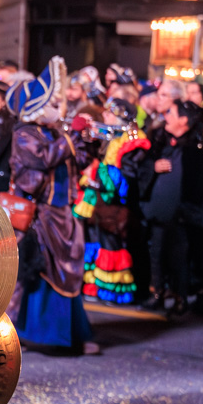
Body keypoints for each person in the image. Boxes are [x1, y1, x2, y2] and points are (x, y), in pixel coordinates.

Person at [5, 58, 97, 354]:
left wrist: (87, 140)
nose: (60, 108)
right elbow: (43, 160)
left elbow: (77, 160)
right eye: (54, 103)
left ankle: (70, 334)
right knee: (41, 270)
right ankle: (41, 335)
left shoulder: (55, 133)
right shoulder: (24, 134)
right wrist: (71, 138)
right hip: (39, 217)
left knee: (67, 271)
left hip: (62, 214)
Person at [138, 101, 203, 314]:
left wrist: (193, 208)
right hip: (158, 212)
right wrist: (153, 166)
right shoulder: (159, 139)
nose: (165, 116)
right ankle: (156, 293)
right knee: (156, 253)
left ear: (184, 120)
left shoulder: (199, 147)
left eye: (171, 113)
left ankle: (180, 297)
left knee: (180, 257)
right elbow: (142, 166)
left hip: (182, 215)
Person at [72, 99, 150, 305]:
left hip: (117, 206)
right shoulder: (113, 138)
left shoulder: (133, 142)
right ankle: (96, 286)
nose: (104, 116)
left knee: (112, 246)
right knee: (98, 243)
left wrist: (100, 175)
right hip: (102, 202)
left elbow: (126, 179)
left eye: (109, 114)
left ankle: (115, 292)